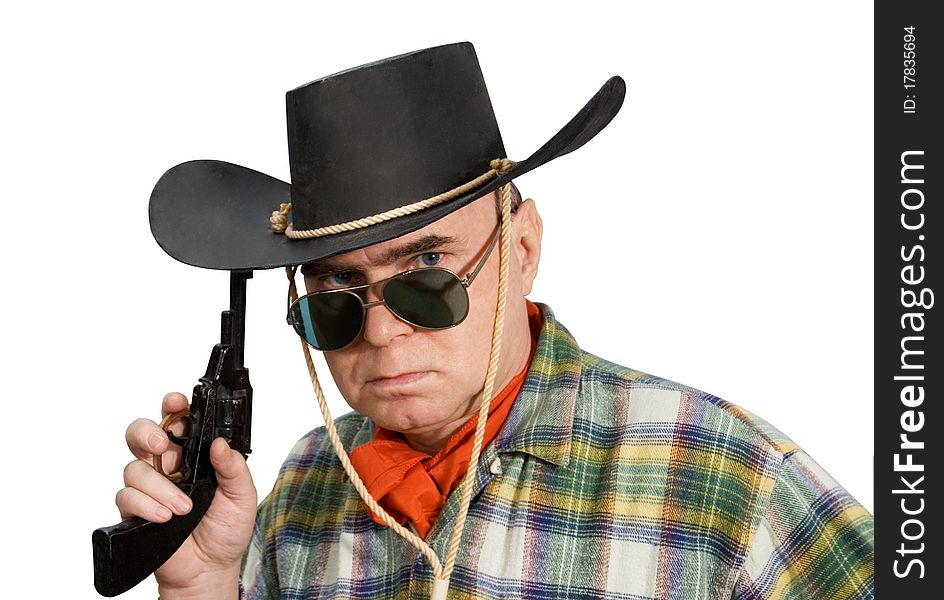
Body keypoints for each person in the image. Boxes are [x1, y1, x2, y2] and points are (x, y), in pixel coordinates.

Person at [117, 43, 874, 599]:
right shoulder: (306, 488)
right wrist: (208, 584)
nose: (381, 334)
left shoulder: (726, 479)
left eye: (427, 274)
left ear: (522, 248)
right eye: (338, 293)